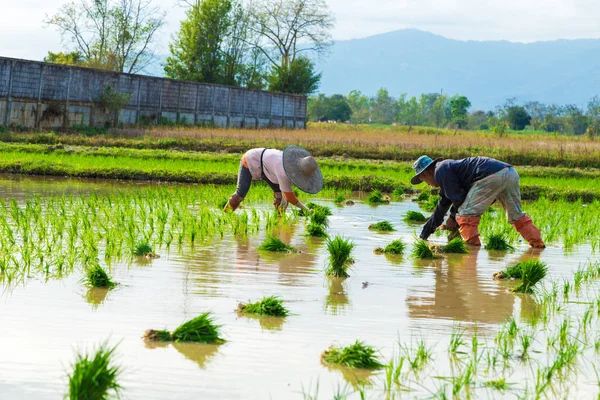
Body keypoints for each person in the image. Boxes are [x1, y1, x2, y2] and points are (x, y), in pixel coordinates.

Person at [410, 155, 545, 248]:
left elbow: (459, 198)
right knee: (516, 215)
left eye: (423, 180)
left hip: (490, 176)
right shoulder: (445, 172)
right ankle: (537, 243)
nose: (427, 184)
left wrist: (452, 218)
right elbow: (441, 207)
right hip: (510, 173)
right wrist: (425, 234)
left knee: (465, 214)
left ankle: (471, 249)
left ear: (426, 173)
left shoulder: (440, 170)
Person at [224, 146, 323, 213]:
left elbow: (286, 195)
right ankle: (225, 216)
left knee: (280, 196)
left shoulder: (292, 164)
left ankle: (279, 220)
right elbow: (290, 198)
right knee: (241, 193)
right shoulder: (283, 170)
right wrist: (307, 211)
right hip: (251, 158)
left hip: (268, 167)